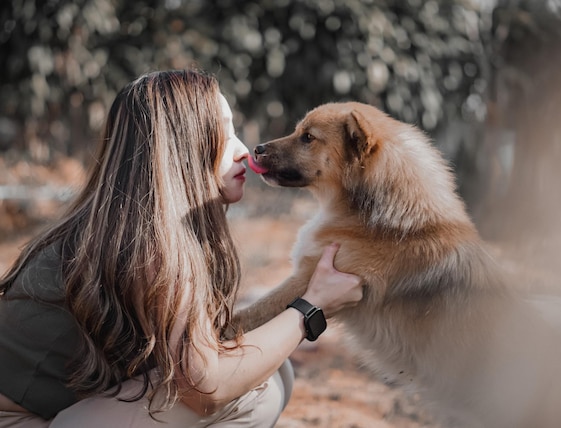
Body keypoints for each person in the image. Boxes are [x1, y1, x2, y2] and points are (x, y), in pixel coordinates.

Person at [0, 69, 363, 427]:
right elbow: (208, 390)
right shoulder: (151, 246)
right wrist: (310, 307)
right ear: (181, 148)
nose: (241, 150)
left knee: (264, 366)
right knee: (249, 391)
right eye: (222, 133)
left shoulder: (133, 224)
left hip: (54, 412)